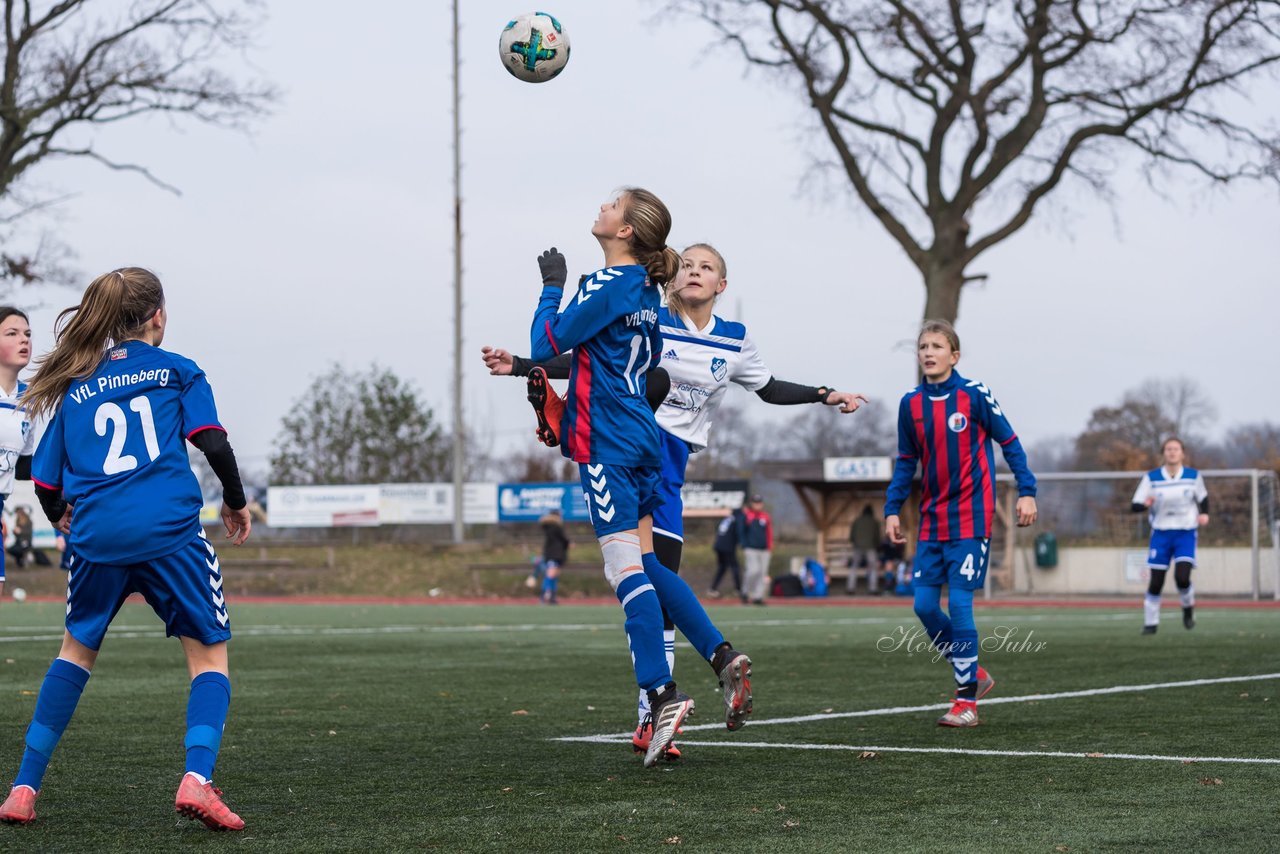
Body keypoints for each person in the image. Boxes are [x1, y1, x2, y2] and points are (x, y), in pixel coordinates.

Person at [483, 240, 867, 752]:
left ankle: (665, 704)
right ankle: (701, 674)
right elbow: (593, 359)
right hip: (639, 441)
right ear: (673, 277)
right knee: (649, 575)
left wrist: (824, 394)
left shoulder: (734, 340)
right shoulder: (651, 316)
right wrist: (525, 364)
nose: (694, 272)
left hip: (661, 459)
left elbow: (768, 387)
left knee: (639, 574)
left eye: (707, 268)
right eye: (687, 264)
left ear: (720, 286)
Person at [0, 268, 252, 829]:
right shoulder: (179, 370)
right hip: (168, 532)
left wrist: (62, 518)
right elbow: (211, 439)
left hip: (97, 537)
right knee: (209, 657)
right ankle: (197, 778)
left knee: (73, 654)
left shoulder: (75, 385)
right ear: (157, 316)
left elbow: (45, 483)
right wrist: (235, 502)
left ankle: (22, 788)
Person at [523, 188, 753, 767]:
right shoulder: (649, 293)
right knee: (649, 564)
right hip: (645, 439)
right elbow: (645, 373)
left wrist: (552, 285)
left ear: (627, 230)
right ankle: (720, 654)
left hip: (609, 447)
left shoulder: (608, 283)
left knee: (623, 571)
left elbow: (546, 342)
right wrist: (561, 395)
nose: (600, 208)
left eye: (611, 205)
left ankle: (662, 695)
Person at [885, 319, 1037, 728]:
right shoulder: (910, 403)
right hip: (932, 520)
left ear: (954, 355)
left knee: (961, 603)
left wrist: (1027, 490)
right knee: (923, 605)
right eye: (922, 347)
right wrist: (892, 508)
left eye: (936, 346)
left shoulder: (974, 395)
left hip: (972, 517)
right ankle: (975, 674)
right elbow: (905, 461)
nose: (928, 353)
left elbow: (1010, 442)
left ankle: (966, 700)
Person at [1131, 437, 1208, 634]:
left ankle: (1188, 609)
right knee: (1156, 581)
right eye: (1168, 449)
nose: (1172, 452)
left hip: (1185, 533)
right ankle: (1150, 624)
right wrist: (1146, 504)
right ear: (1163, 453)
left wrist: (1205, 514)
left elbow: (1203, 498)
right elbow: (1135, 504)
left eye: (1176, 449)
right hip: (1161, 534)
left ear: (1182, 453)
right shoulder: (1152, 478)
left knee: (1182, 577)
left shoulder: (1193, 476)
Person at [0, 307, 36, 602]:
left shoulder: (30, 399)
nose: (23, 340)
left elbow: (25, 465)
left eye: (27, 334)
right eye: (12, 333)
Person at [739, 494, 773, 605]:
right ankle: (745, 592)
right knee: (753, 570)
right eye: (755, 502)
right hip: (751, 548)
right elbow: (741, 531)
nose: (757, 505)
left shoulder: (765, 516)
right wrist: (744, 545)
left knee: (762, 573)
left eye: (759, 502)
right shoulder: (747, 516)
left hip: (764, 549)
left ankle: (758, 597)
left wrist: (769, 546)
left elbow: (769, 532)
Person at [708, 503, 744, 598]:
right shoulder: (738, 518)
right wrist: (742, 543)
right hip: (728, 547)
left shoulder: (728, 518)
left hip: (718, 546)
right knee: (734, 567)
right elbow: (739, 531)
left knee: (722, 567)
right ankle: (738, 590)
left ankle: (713, 589)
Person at [846, 505, 882, 593]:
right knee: (873, 568)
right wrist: (877, 546)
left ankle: (850, 588)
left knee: (854, 567)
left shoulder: (857, 521)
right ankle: (873, 588)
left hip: (858, 547)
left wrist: (856, 543)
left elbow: (851, 536)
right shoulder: (875, 522)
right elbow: (877, 537)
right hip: (870, 547)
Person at [538, 508, 570, 604]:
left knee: (554, 575)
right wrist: (568, 543)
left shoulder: (548, 526)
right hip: (555, 554)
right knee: (550, 574)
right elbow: (563, 539)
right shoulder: (555, 527)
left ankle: (552, 597)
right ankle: (544, 597)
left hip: (553, 554)